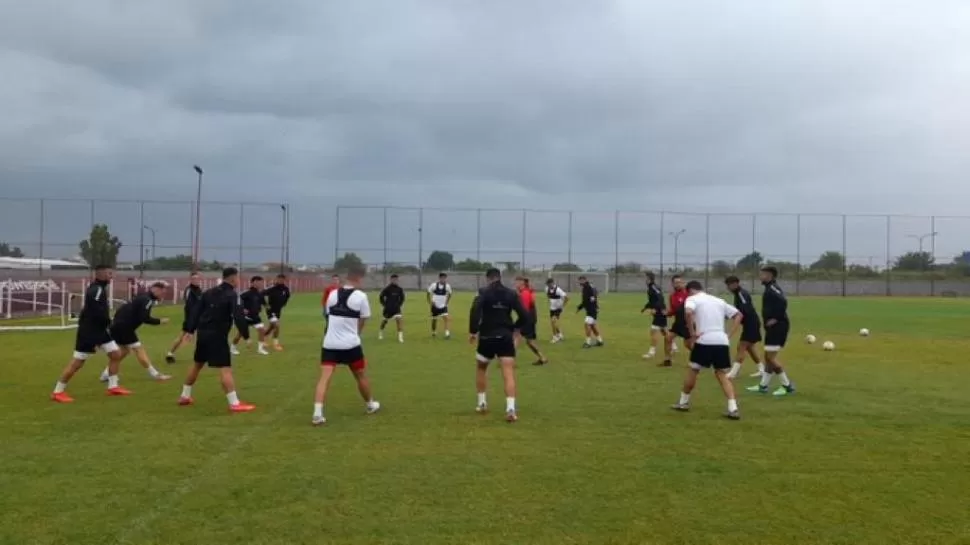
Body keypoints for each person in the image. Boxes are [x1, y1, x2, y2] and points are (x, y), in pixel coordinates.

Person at [177, 267, 255, 412]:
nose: (239, 280)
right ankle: (235, 403)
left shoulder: (208, 292)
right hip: (218, 335)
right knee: (225, 368)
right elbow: (239, 317)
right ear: (232, 279)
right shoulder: (232, 295)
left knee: (197, 365)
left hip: (203, 334)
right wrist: (246, 336)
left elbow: (195, 312)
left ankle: (184, 396)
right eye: (238, 278)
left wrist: (190, 330)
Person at [313, 266, 381, 425]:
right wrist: (356, 333)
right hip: (351, 345)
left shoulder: (333, 294)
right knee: (360, 375)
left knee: (324, 378)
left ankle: (317, 413)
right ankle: (370, 404)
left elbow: (329, 315)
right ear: (358, 279)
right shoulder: (361, 296)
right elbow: (363, 319)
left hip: (329, 343)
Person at [51, 265, 129, 402]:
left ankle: (113, 386)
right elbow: (96, 311)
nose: (112, 276)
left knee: (116, 354)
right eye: (109, 273)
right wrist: (106, 323)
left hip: (100, 330)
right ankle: (58, 391)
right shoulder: (96, 290)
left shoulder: (99, 289)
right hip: (89, 332)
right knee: (78, 362)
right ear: (100, 275)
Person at [670, 281, 744, 420]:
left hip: (704, 340)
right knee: (721, 374)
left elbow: (688, 312)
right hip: (721, 341)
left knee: (693, 370)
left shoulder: (692, 299)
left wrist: (692, 333)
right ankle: (733, 408)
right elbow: (739, 315)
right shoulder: (718, 300)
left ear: (690, 290)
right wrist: (728, 335)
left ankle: (683, 402)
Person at [469, 268, 531, 422]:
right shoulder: (511, 293)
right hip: (505, 336)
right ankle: (510, 408)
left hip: (486, 336)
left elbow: (475, 310)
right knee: (508, 372)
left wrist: (473, 331)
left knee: (481, 367)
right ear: (499, 277)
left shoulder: (482, 292)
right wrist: (515, 328)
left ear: (488, 278)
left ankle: (482, 403)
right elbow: (525, 315)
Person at [99, 281, 172, 383]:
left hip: (118, 326)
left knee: (124, 351)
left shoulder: (142, 297)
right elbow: (144, 318)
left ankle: (106, 374)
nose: (163, 295)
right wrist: (159, 321)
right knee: (138, 349)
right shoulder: (147, 300)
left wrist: (116, 322)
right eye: (162, 292)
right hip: (125, 327)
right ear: (155, 289)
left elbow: (124, 308)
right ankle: (155, 374)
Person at [747, 266, 796, 396]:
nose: (760, 277)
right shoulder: (769, 288)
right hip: (773, 327)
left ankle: (787, 386)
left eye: (762, 274)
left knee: (770, 358)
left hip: (778, 327)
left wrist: (775, 318)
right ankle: (763, 386)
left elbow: (783, 301)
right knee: (768, 358)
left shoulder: (773, 288)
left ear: (770, 276)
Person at [724, 275, 764, 379]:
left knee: (741, 346)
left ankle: (733, 373)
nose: (727, 288)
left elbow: (745, 310)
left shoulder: (741, 294)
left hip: (752, 323)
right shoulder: (738, 294)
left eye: (729, 285)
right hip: (750, 323)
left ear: (735, 284)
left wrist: (735, 316)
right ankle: (762, 370)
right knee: (750, 347)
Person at [165, 271, 203, 364]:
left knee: (203, 336)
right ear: (190, 280)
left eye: (197, 278)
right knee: (183, 336)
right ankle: (170, 353)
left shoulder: (199, 290)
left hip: (199, 318)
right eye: (194, 279)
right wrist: (191, 326)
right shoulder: (189, 290)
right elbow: (189, 307)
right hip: (191, 319)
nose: (196, 280)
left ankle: (201, 355)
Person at [231, 276, 269, 356]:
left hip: (255, 317)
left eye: (261, 282)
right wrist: (242, 309)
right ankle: (233, 347)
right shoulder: (246, 293)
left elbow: (264, 303)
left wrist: (267, 307)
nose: (260, 283)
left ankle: (260, 349)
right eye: (258, 282)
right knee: (240, 334)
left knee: (262, 330)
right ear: (252, 283)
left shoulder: (260, 294)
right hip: (246, 317)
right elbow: (237, 301)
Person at [515, 277, 549, 365]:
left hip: (527, 319)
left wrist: (519, 321)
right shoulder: (525, 292)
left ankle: (509, 360)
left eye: (517, 282)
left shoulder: (525, 293)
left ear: (522, 284)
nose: (515, 284)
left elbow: (524, 310)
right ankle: (542, 358)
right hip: (530, 318)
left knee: (516, 336)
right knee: (529, 341)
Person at [663, 275, 690, 365]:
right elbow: (673, 310)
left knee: (688, 344)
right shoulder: (672, 296)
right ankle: (667, 360)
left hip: (688, 322)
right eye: (676, 283)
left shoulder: (688, 294)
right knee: (668, 337)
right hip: (678, 323)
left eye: (680, 282)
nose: (678, 284)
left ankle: (703, 359)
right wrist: (667, 313)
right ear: (672, 284)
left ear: (683, 283)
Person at [640, 271, 667, 360]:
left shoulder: (654, 287)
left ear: (649, 278)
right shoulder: (651, 287)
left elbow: (660, 298)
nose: (644, 279)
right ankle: (673, 346)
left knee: (653, 331)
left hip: (660, 311)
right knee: (663, 330)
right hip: (660, 310)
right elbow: (653, 300)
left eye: (645, 277)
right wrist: (645, 307)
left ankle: (651, 352)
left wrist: (655, 308)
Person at [263, 273, 291, 351]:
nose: (280, 280)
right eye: (279, 279)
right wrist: (265, 304)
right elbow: (261, 294)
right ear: (276, 279)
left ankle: (263, 338)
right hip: (270, 310)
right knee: (277, 326)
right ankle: (276, 344)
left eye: (282, 279)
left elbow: (288, 296)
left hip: (278, 310)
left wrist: (284, 303)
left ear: (284, 280)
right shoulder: (272, 288)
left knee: (272, 327)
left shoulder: (285, 289)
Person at [575, 275, 603, 348]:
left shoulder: (587, 287)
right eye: (579, 280)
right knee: (592, 326)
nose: (580, 282)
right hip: (592, 308)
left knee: (587, 324)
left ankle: (588, 343)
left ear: (585, 280)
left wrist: (580, 307)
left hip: (592, 309)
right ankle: (600, 341)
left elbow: (589, 299)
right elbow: (594, 295)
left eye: (581, 280)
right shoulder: (588, 286)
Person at [378, 274, 406, 342]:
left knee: (399, 321)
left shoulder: (400, 289)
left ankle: (400, 338)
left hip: (396, 309)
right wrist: (384, 305)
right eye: (393, 279)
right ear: (391, 280)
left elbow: (402, 298)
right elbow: (381, 297)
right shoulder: (387, 289)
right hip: (388, 309)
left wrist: (399, 304)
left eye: (396, 279)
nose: (395, 281)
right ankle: (381, 332)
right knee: (385, 321)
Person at [426, 272, 453, 339]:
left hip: (443, 306)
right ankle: (434, 332)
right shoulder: (434, 285)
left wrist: (446, 302)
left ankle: (447, 334)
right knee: (434, 320)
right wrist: (430, 302)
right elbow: (428, 293)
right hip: (435, 305)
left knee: (446, 318)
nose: (443, 279)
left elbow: (450, 294)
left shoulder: (447, 286)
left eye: (445, 278)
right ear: (439, 278)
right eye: (442, 278)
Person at [544, 277, 568, 343]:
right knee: (554, 323)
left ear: (552, 283)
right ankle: (560, 334)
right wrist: (550, 301)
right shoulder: (546, 289)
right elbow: (548, 295)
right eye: (547, 284)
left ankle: (555, 337)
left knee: (553, 321)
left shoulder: (558, 290)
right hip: (552, 308)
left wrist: (562, 307)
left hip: (558, 308)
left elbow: (567, 298)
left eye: (549, 284)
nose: (548, 286)